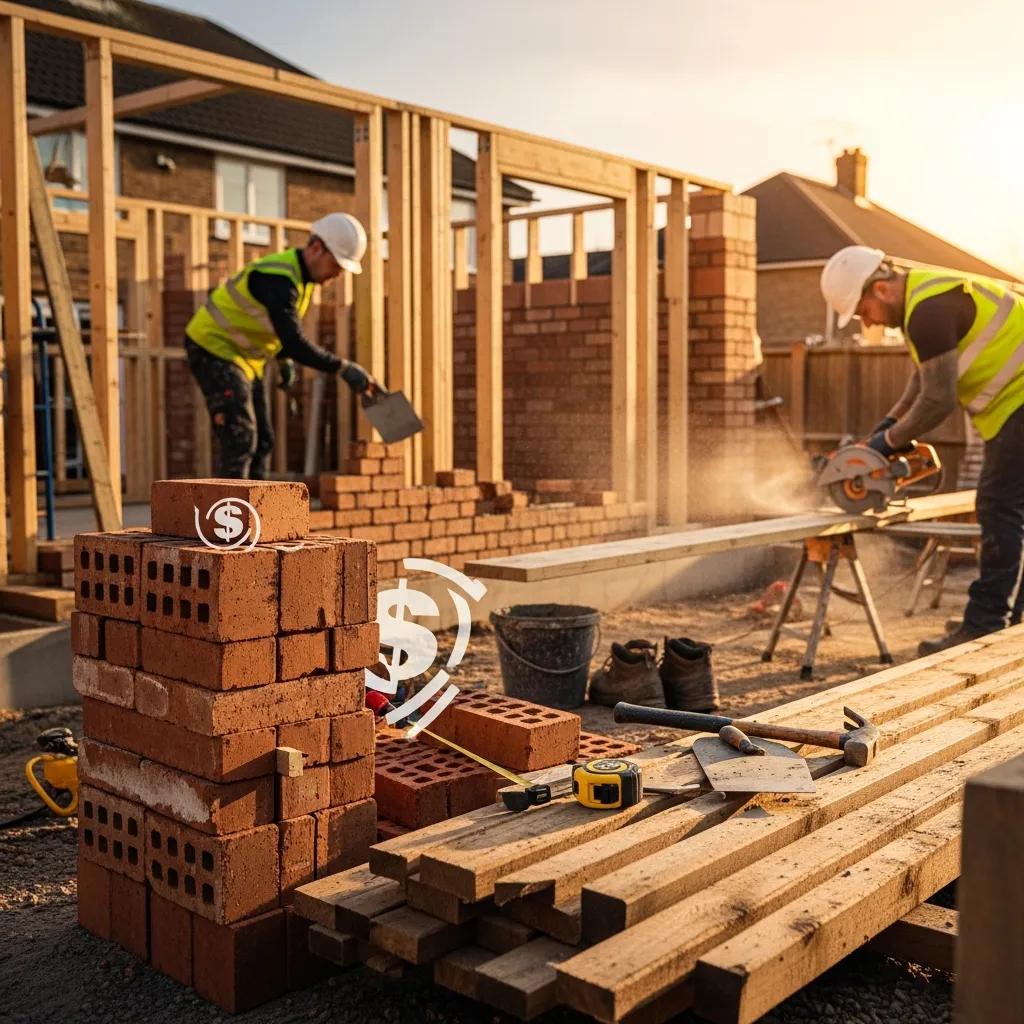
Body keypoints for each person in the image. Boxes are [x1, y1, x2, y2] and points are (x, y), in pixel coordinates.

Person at [821, 246, 1024, 654]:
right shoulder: (925, 300)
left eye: (864, 312)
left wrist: (885, 446)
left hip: (1018, 400)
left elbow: (937, 400)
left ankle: (985, 624)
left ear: (880, 289)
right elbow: (921, 383)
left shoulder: (927, 311)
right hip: (1014, 403)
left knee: (997, 505)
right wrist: (882, 432)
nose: (868, 322)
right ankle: (1009, 619)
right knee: (1011, 509)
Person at [185, 212, 377, 479]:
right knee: (241, 438)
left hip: (244, 358)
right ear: (316, 248)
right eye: (336, 265)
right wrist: (342, 367)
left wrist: (282, 357)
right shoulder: (279, 278)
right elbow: (294, 341)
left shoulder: (301, 279)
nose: (338, 275)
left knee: (264, 439)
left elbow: (273, 328)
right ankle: (228, 517)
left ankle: (259, 516)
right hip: (212, 347)